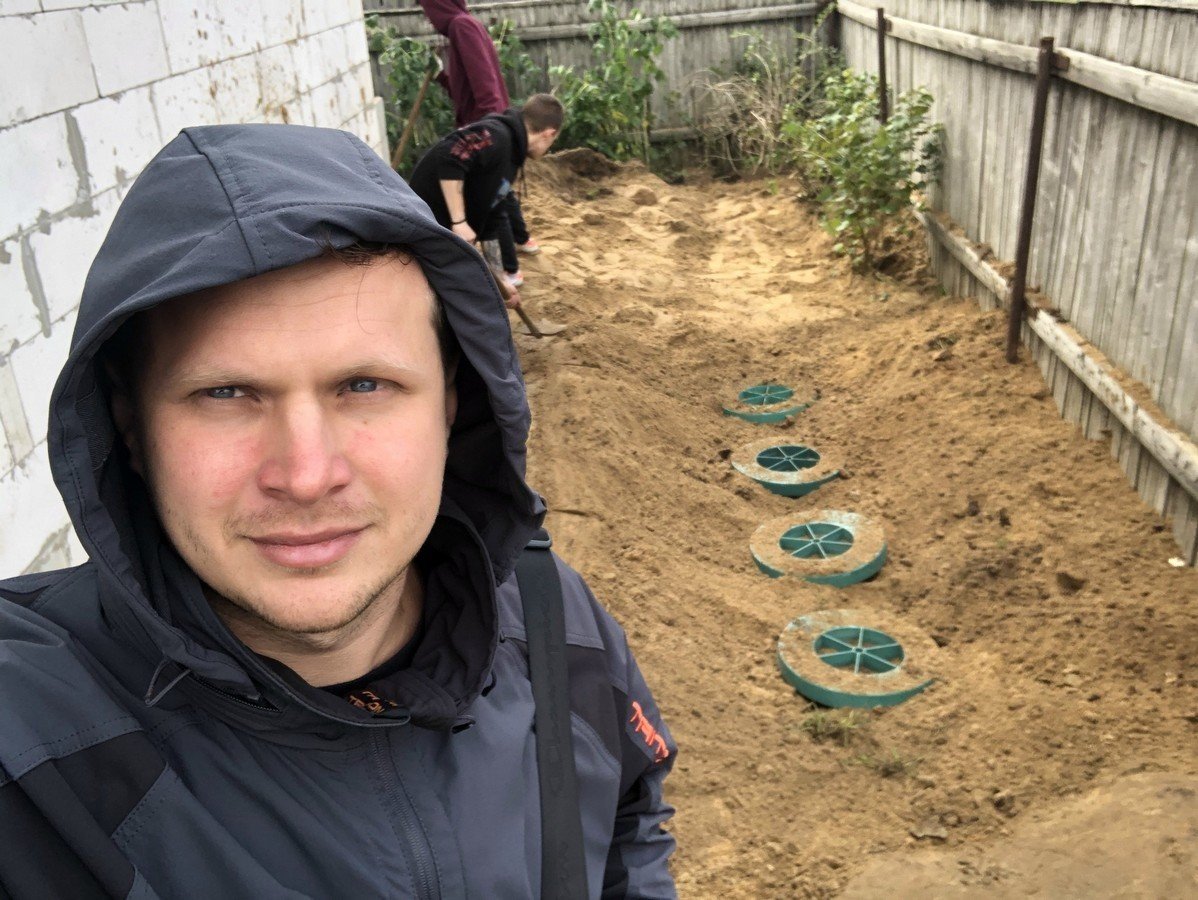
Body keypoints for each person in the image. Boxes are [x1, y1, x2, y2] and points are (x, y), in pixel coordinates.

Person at [0, 124, 676, 898]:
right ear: (130, 426)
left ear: (451, 404)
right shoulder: (28, 732)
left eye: (364, 386)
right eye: (225, 393)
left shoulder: (556, 623)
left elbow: (629, 819)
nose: (307, 475)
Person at [419, 0, 544, 279]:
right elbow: (464, 89)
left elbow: (486, 89)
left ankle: (509, 270)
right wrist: (440, 75)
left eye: (427, 10)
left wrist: (486, 134)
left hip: (486, 135)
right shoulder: (463, 27)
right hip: (490, 130)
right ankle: (521, 244)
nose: (428, 18)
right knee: (500, 195)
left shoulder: (461, 27)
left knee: (493, 203)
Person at [408, 94, 561, 302]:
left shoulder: (512, 157)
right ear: (549, 133)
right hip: (423, 222)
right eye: (553, 142)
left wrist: (500, 282)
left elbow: (492, 218)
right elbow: (451, 153)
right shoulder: (497, 135)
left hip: (444, 233)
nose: (549, 148)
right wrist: (459, 221)